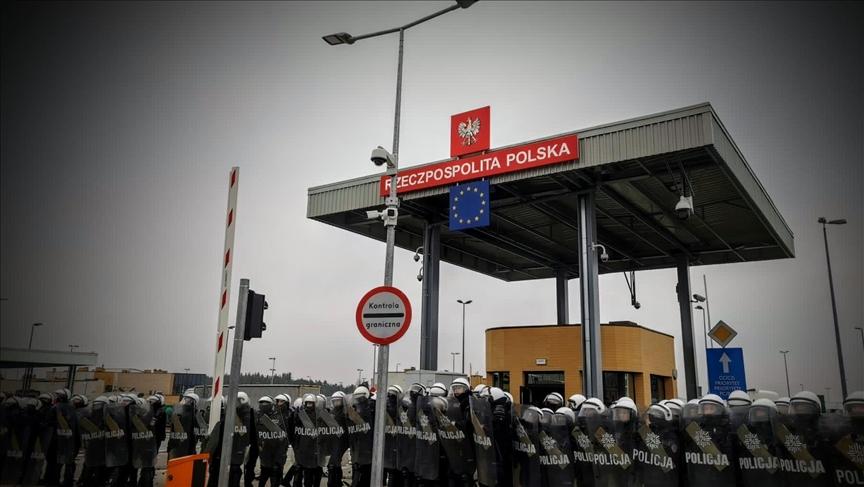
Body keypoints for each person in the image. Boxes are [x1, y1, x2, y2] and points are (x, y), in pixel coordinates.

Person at [255, 396, 289, 487]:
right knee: (264, 474)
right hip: (264, 451)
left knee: (274, 474)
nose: (263, 405)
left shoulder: (278, 416)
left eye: (266, 403)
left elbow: (283, 435)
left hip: (276, 451)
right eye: (262, 403)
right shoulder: (257, 416)